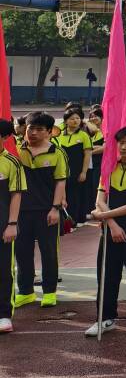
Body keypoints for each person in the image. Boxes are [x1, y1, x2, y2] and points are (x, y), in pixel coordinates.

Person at [84, 127, 126, 336]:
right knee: (106, 276)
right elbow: (99, 201)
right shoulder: (108, 168)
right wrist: (112, 225)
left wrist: (103, 216)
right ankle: (105, 318)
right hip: (110, 232)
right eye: (120, 142)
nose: (123, 147)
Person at [13, 112, 67, 308]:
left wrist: (55, 208)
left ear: (49, 132)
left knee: (49, 252)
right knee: (22, 252)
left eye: (39, 129)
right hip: (20, 211)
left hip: (47, 211)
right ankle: (26, 291)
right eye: (30, 129)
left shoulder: (57, 153)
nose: (33, 133)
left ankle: (49, 291)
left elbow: (60, 182)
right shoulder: (17, 151)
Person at [0, 121, 25, 334]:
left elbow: (16, 195)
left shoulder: (12, 163)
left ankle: (4, 314)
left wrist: (12, 224)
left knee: (4, 270)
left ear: (4, 137)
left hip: (3, 225)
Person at [55, 109, 93, 224]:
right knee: (61, 194)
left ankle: (74, 220)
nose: (75, 121)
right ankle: (62, 220)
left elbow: (87, 155)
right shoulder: (59, 134)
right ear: (66, 121)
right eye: (72, 119)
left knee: (75, 195)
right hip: (62, 170)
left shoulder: (84, 135)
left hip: (77, 170)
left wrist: (84, 172)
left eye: (77, 118)